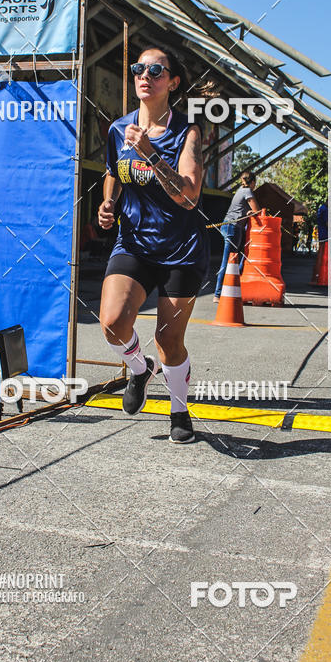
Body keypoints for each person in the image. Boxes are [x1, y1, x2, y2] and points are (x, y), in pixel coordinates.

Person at [98, 46, 208, 444]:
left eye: (156, 70)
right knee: (112, 323)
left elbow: (190, 196)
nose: (145, 75)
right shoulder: (117, 129)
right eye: (138, 68)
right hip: (135, 243)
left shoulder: (188, 133)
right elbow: (114, 172)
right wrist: (108, 202)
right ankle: (139, 369)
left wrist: (151, 153)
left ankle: (180, 411)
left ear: (172, 82)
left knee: (168, 340)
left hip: (181, 248)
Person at [213, 171, 260, 302]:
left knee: (234, 260)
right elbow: (258, 210)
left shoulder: (240, 190)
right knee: (229, 261)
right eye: (255, 183)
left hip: (228, 226)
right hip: (233, 227)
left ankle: (230, 289)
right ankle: (218, 294)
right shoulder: (247, 191)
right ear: (252, 182)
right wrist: (254, 212)